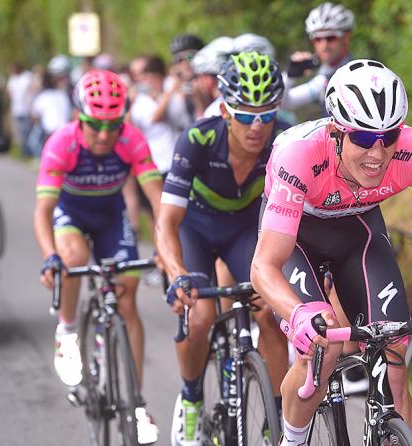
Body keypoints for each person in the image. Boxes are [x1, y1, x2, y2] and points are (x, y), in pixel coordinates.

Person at [250, 59, 412, 443]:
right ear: (335, 133)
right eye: (362, 138)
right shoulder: (298, 155)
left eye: (389, 135)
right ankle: (292, 439)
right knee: (322, 346)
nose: (377, 153)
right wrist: (297, 315)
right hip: (298, 235)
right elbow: (264, 265)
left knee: (394, 354)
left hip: (358, 232)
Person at [155, 51, 290, 446]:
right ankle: (192, 399)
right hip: (194, 228)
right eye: (246, 114)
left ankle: (276, 418)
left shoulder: (283, 140)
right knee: (198, 320)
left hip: (244, 231)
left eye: (266, 113)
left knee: (270, 312)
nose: (257, 125)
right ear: (226, 111)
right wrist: (177, 272)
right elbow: (166, 223)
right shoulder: (197, 139)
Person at [34, 69, 162, 444]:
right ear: (78, 117)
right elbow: (43, 211)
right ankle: (69, 330)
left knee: (127, 296)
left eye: (113, 125)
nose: (105, 136)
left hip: (111, 217)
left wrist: (165, 247)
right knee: (72, 256)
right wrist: (48, 256)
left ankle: (137, 405)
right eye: (95, 125)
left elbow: (157, 200)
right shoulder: (62, 143)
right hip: (70, 214)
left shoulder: (131, 140)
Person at [282, 2, 354, 114]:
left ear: (346, 38)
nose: (324, 46)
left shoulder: (358, 74)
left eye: (331, 38)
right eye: (318, 39)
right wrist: (289, 76)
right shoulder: (323, 79)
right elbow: (284, 103)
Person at [190, 36, 234, 118]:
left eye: (200, 76)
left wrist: (198, 102)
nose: (198, 82)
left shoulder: (215, 110)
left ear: (209, 79)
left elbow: (201, 129)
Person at [6, 63, 34, 157]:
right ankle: (24, 151)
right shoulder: (13, 79)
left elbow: (32, 89)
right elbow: (9, 91)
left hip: (27, 109)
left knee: (27, 131)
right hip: (16, 109)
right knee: (20, 133)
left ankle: (28, 152)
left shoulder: (27, 77)